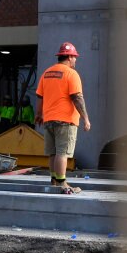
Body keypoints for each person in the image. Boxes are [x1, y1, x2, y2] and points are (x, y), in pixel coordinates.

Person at [35, 41, 90, 194]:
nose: (76, 60)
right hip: (65, 121)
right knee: (62, 153)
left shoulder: (47, 73)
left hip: (49, 120)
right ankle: (62, 182)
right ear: (69, 57)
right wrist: (85, 118)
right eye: (75, 57)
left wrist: (39, 114)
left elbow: (40, 96)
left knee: (53, 153)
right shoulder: (71, 74)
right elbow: (77, 98)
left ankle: (54, 179)